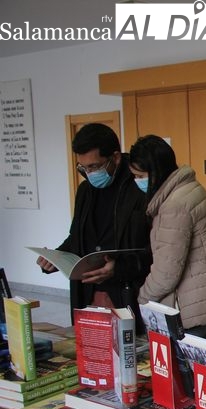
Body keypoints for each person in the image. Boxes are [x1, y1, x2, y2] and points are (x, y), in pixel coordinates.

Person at [35, 123, 150, 330]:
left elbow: (157, 249)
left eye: (95, 166)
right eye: (83, 168)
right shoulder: (85, 191)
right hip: (88, 293)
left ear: (115, 158)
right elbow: (77, 237)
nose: (89, 173)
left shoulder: (139, 188)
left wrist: (120, 268)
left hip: (129, 292)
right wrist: (57, 256)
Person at [129, 135, 206, 341]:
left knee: (191, 369)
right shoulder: (190, 189)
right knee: (203, 368)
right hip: (202, 299)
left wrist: (143, 297)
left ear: (156, 172)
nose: (137, 182)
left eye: (140, 175)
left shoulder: (174, 205)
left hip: (191, 306)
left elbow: (166, 273)